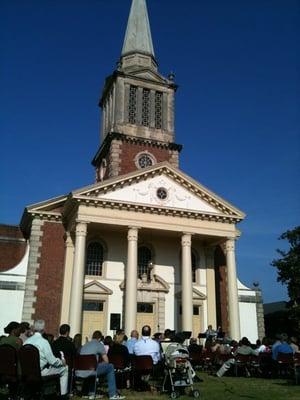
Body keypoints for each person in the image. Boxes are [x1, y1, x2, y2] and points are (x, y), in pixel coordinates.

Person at [25, 320, 68, 398]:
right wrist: (62, 362)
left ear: (34, 329)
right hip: (40, 372)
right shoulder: (44, 342)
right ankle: (63, 396)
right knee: (65, 369)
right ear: (43, 329)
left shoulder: (27, 341)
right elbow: (53, 361)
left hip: (27, 372)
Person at [77, 330, 125, 400]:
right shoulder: (99, 345)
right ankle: (113, 394)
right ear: (99, 338)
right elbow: (107, 361)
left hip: (81, 370)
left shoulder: (85, 345)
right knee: (110, 367)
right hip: (91, 370)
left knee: (92, 367)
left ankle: (88, 393)